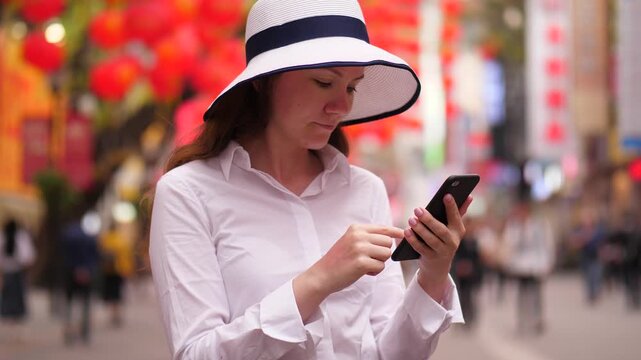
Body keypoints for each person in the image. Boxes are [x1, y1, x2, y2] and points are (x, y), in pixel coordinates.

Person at [149, 1, 472, 358]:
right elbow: (196, 353)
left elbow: (390, 353)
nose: (342, 106)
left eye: (351, 88)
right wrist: (317, 281)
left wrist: (433, 272)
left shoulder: (365, 191)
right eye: (324, 82)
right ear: (263, 82)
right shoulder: (188, 193)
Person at [501, 199, 555, 335]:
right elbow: (509, 246)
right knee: (521, 293)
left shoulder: (539, 226)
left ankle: (537, 319)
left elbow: (547, 245)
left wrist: (548, 262)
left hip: (536, 264)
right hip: (520, 266)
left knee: (536, 292)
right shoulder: (514, 227)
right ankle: (522, 319)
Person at [61, 213, 99, 345]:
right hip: (87, 271)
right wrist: (86, 268)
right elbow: (95, 255)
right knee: (85, 304)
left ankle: (69, 330)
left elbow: (62, 253)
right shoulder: (89, 235)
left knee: (70, 303)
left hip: (70, 271)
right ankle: (84, 330)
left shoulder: (67, 234)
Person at [0, 218, 36, 342]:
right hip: (17, 271)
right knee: (18, 298)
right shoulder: (21, 237)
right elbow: (28, 257)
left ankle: (9, 324)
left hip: (7, 272)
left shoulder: (2, 237)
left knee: (8, 298)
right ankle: (17, 327)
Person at [99, 223, 135, 327]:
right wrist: (128, 269)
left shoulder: (105, 239)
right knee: (118, 293)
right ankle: (117, 313)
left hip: (108, 271)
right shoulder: (121, 240)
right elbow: (126, 256)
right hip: (119, 271)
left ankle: (113, 313)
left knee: (111, 293)